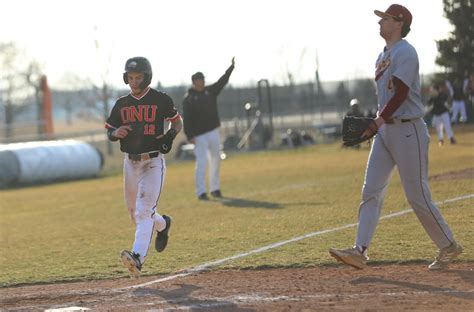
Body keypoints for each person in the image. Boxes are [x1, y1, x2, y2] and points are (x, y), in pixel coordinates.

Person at [329, 4, 462, 271]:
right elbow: (387, 98)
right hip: (386, 131)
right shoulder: (382, 54)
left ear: (399, 23)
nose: (380, 23)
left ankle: (449, 245)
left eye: (385, 19)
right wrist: (378, 122)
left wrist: (377, 121)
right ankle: (359, 251)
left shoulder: (406, 52)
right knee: (371, 191)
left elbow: (401, 94)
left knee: (417, 195)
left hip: (408, 129)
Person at [105, 56, 183, 278]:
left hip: (153, 161)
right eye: (130, 77)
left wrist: (170, 135)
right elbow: (110, 128)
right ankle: (163, 224)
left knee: (142, 211)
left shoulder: (160, 100)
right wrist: (114, 133)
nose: (134, 81)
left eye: (138, 77)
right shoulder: (122, 104)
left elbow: (177, 122)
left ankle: (137, 258)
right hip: (130, 163)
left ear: (147, 77)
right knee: (135, 213)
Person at [182, 57, 235, 200]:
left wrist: (230, 69)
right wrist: (189, 135)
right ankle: (200, 191)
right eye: (200, 81)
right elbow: (186, 119)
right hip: (199, 136)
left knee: (216, 159)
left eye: (204, 80)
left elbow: (221, 82)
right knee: (202, 162)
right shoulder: (188, 99)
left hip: (213, 131)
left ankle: (215, 188)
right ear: (194, 82)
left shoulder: (210, 91)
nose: (203, 83)